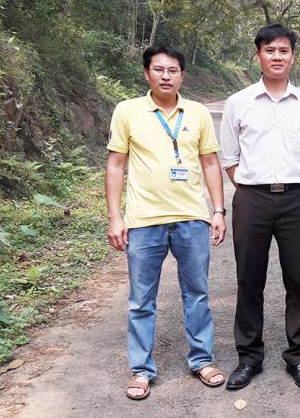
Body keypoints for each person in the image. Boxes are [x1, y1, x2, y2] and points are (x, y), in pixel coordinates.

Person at [105, 43, 227, 400]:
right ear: (146, 74)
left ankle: (202, 360)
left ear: (182, 76)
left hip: (191, 218)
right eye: (158, 70)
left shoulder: (198, 113)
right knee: (142, 300)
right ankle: (141, 370)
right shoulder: (128, 111)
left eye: (172, 71)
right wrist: (116, 217)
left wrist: (218, 210)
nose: (166, 76)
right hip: (144, 221)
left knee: (198, 294)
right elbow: (116, 164)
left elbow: (209, 163)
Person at [220, 23, 300, 391]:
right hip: (251, 198)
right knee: (249, 279)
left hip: (296, 197)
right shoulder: (239, 102)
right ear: (258, 55)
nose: (277, 57)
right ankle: (249, 357)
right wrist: (251, 187)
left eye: (283, 51)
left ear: (293, 56)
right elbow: (229, 157)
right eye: (269, 50)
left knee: (298, 280)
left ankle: (299, 357)